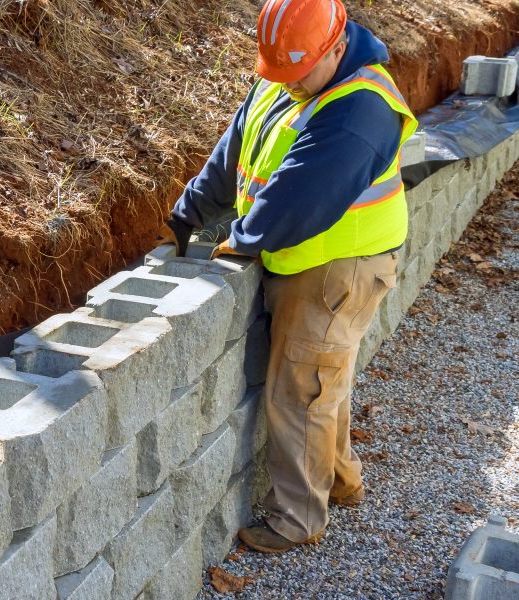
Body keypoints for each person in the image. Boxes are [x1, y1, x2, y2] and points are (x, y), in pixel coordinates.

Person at [160, 0, 417, 553]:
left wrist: (239, 241)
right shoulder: (288, 76)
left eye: (299, 73)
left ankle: (298, 519)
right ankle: (342, 481)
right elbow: (238, 147)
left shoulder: (361, 109)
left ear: (337, 49)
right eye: (279, 73)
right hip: (305, 259)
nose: (289, 83)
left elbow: (299, 197)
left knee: (303, 391)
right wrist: (192, 211)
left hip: (338, 267)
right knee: (324, 377)